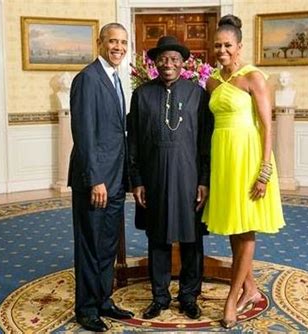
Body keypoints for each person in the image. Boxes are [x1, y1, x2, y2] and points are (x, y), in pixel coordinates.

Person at [201, 15, 285, 329]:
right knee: (234, 227)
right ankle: (250, 288)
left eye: (227, 45)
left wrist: (265, 170)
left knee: (246, 227)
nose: (222, 50)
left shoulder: (254, 77)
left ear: (239, 46)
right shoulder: (210, 81)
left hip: (249, 158)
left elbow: (267, 126)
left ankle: (231, 298)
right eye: (217, 46)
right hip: (223, 158)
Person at [127, 36, 213, 320]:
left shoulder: (197, 94)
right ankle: (160, 297)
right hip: (154, 178)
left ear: (183, 63)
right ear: (155, 62)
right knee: (158, 239)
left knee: (191, 240)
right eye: (163, 58)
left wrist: (204, 180)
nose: (168, 64)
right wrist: (137, 180)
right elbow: (135, 142)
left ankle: (189, 296)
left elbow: (205, 141)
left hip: (189, 177)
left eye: (174, 59)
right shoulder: (141, 95)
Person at [68, 22, 134, 332]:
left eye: (122, 42)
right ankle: (86, 308)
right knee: (90, 245)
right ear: (99, 43)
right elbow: (84, 135)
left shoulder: (116, 79)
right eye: (112, 41)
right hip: (95, 182)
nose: (118, 47)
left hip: (116, 180)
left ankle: (104, 299)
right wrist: (95, 179)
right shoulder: (87, 79)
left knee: (108, 245)